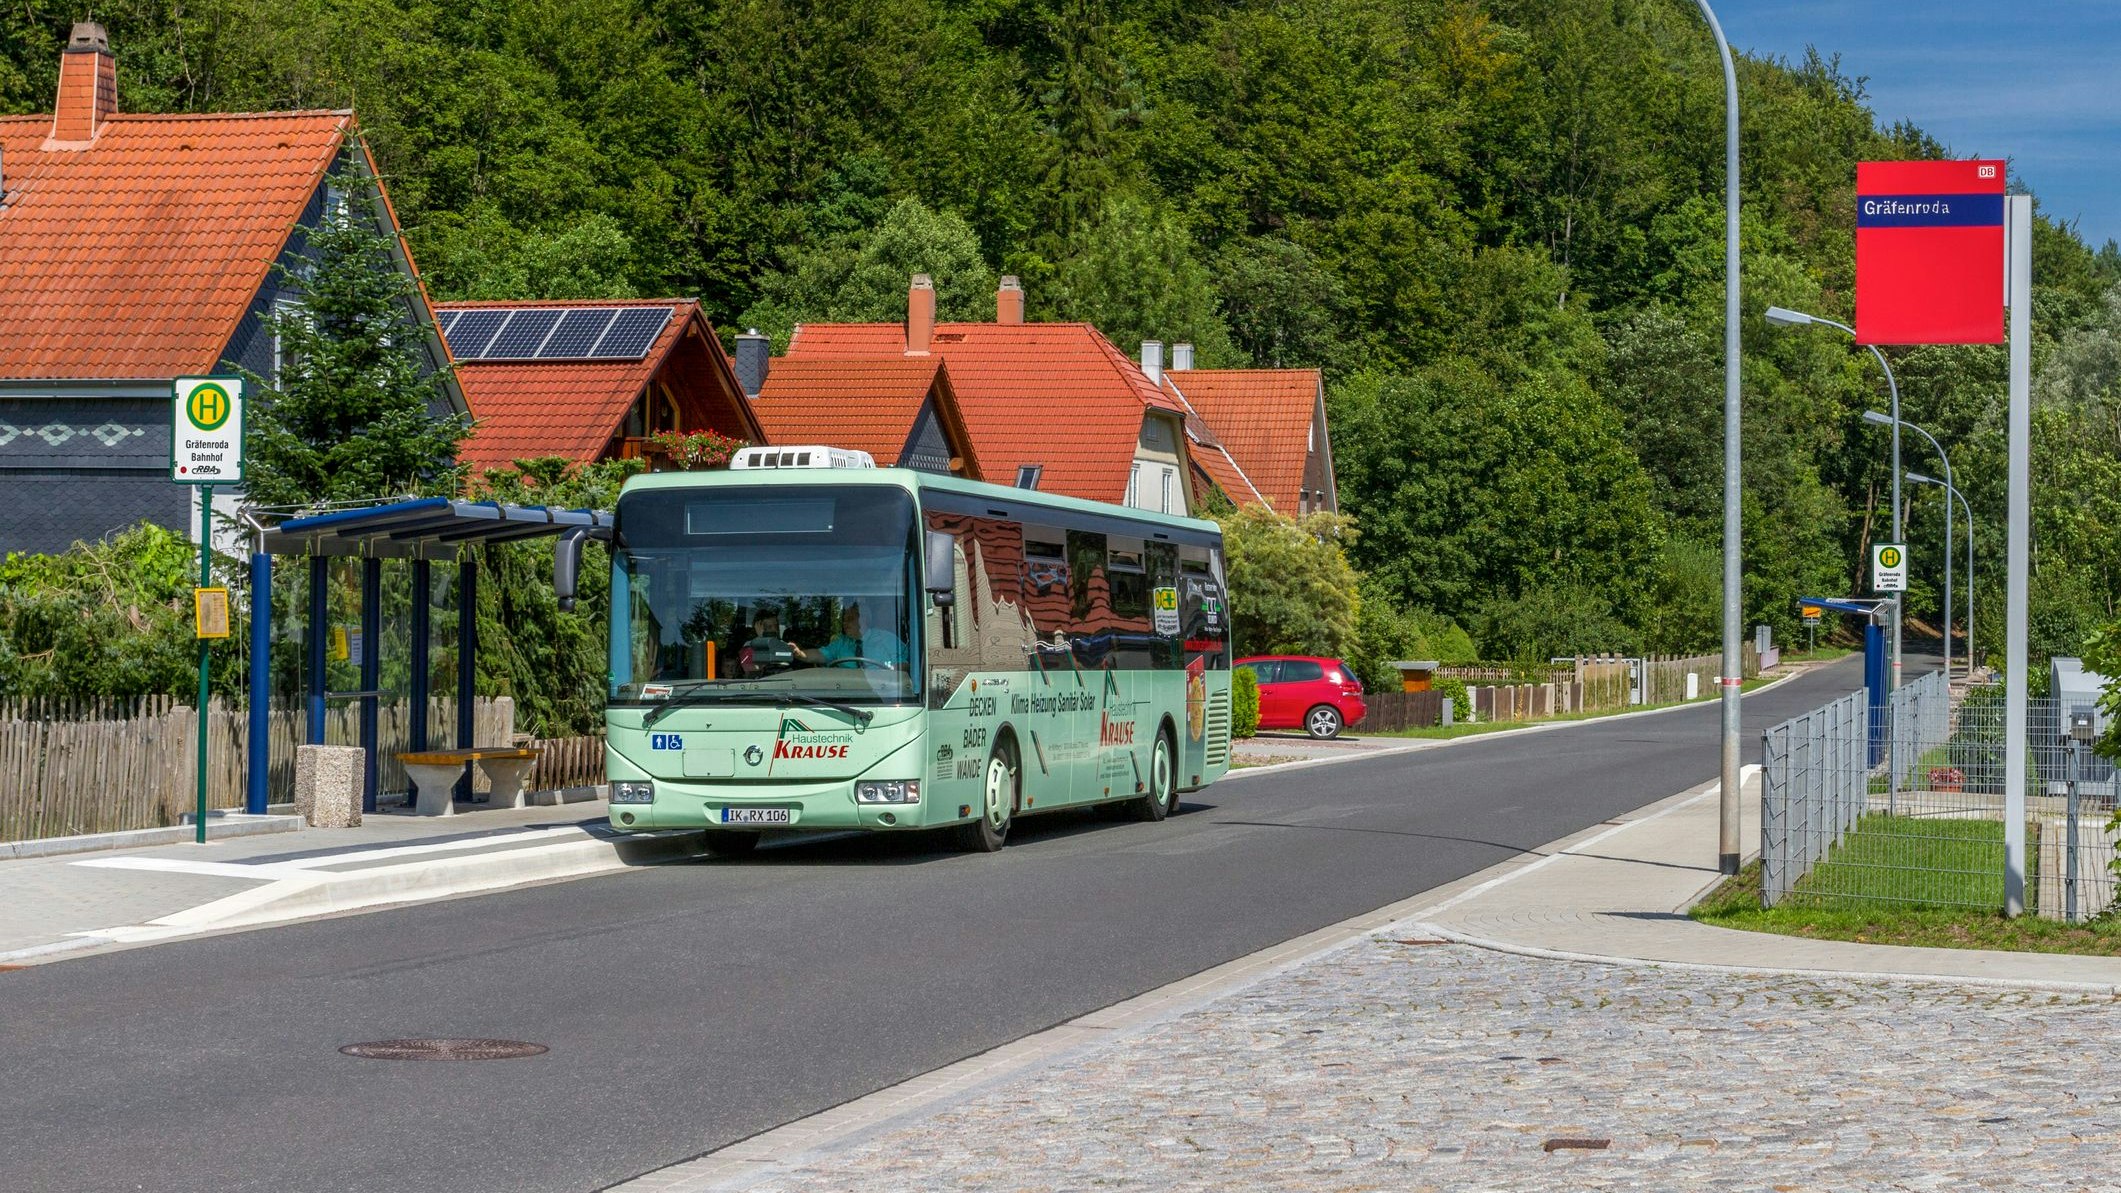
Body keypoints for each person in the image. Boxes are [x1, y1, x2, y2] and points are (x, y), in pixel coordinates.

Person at [796, 602, 904, 668]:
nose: (845, 623)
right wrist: (799, 653)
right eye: (844, 620)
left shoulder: (887, 639)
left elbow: (903, 666)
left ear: (863, 619)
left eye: (850, 619)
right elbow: (819, 655)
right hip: (845, 695)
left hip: (882, 697)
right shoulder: (841, 643)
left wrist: (886, 674)